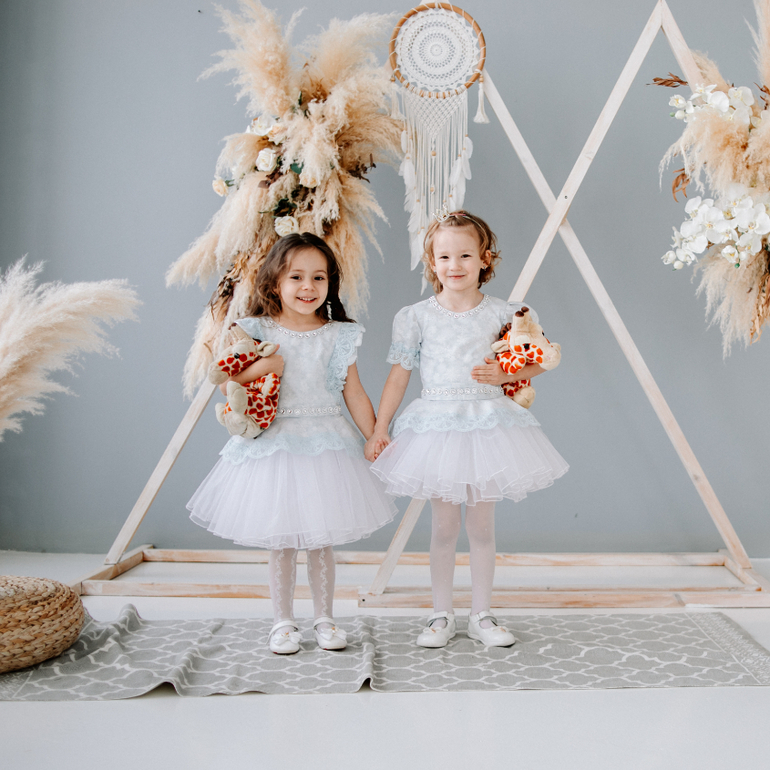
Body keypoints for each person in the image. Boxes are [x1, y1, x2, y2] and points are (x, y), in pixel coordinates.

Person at [366, 210, 568, 648]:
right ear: (431, 262)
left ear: (484, 259)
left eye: (464, 255)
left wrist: (506, 374)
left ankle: (482, 614)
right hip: (437, 426)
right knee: (443, 528)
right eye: (444, 257)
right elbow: (399, 376)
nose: (454, 265)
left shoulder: (506, 312)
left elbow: (543, 357)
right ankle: (441, 614)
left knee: (481, 528)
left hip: (486, 426)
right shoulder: (416, 316)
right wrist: (380, 428)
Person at [189, 232, 396, 654]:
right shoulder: (254, 329)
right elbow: (227, 381)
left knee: (321, 540)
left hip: (326, 443)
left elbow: (353, 392)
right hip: (275, 444)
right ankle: (283, 622)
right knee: (281, 540)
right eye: (296, 277)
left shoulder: (338, 334)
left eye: (319, 277)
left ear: (330, 283)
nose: (308, 287)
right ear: (274, 282)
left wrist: (375, 433)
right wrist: (266, 364)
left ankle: (325, 619)